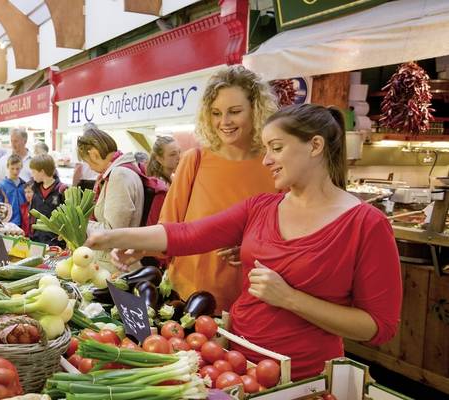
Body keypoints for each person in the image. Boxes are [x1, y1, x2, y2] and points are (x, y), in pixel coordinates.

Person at [85, 104, 402, 381]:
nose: (266, 161)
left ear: (315, 145)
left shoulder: (366, 224)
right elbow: (190, 233)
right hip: (233, 361)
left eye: (276, 148)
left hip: (304, 376)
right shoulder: (261, 207)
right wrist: (113, 236)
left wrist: (290, 298)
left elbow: (378, 327)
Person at [158, 65, 279, 313]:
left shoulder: (275, 166)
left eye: (234, 111)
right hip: (186, 296)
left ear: (256, 111)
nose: (224, 122)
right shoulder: (195, 160)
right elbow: (168, 227)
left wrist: (251, 248)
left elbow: (285, 238)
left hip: (250, 304)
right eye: (215, 113)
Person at [77, 124, 144, 272]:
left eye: (88, 162)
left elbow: (112, 232)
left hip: (115, 268)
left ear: (94, 154)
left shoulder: (119, 175)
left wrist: (78, 225)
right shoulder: (123, 171)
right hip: (113, 265)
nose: (90, 168)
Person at [29, 154, 67, 247]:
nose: (32, 175)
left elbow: (68, 218)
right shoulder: (35, 189)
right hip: (37, 240)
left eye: (33, 172)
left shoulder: (62, 190)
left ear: (42, 171)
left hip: (55, 243)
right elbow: (32, 216)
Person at [0, 155, 27, 228]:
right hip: (8, 223)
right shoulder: (2, 186)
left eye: (17, 169)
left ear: (21, 167)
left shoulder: (24, 185)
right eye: (12, 168)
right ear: (8, 167)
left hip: (23, 222)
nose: (15, 171)